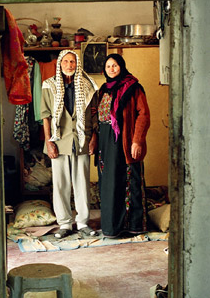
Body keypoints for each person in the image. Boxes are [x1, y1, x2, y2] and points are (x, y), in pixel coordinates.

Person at [41, 50, 99, 239]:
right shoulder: (49, 85)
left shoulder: (88, 85)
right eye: (65, 61)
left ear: (77, 64)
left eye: (72, 62)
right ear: (60, 64)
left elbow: (94, 115)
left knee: (82, 182)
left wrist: (93, 138)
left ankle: (83, 222)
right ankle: (65, 224)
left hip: (81, 139)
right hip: (58, 141)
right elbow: (46, 116)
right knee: (60, 184)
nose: (69, 65)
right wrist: (49, 142)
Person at [97, 53, 150, 238]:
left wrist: (137, 140)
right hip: (106, 142)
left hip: (125, 142)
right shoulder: (103, 89)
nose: (112, 69)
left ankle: (133, 226)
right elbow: (98, 120)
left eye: (115, 65)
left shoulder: (133, 87)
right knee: (109, 185)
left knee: (128, 181)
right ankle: (111, 228)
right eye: (108, 66)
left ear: (122, 66)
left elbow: (143, 115)